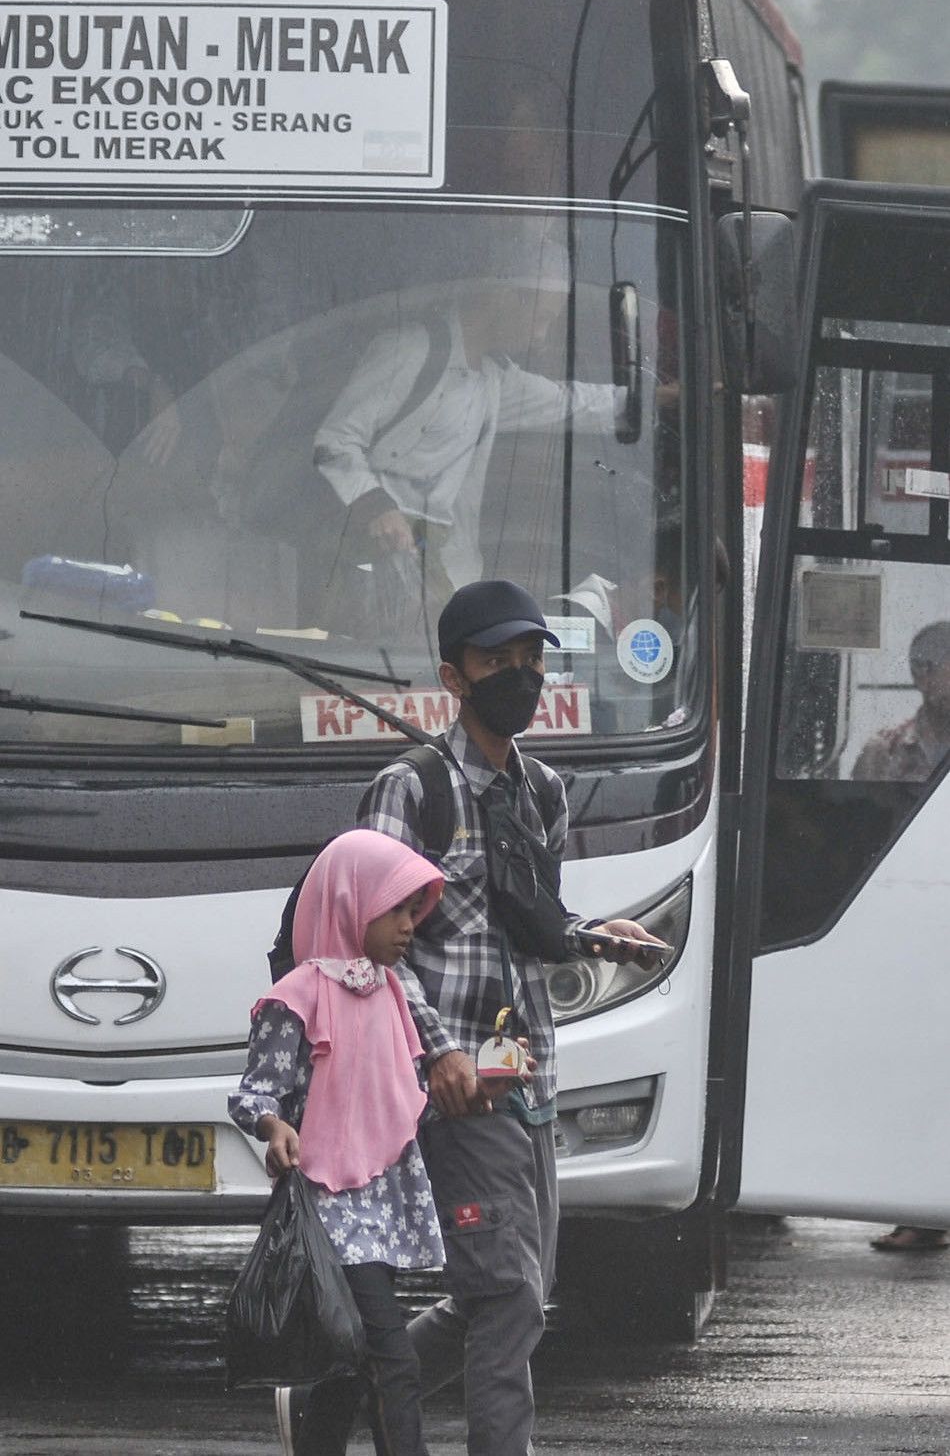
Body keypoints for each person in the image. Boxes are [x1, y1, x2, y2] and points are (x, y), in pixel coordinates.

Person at [353, 577, 664, 1456]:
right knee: (509, 1296)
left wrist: (593, 935)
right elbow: (372, 953)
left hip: (528, 1077)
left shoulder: (543, 792)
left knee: (516, 1287)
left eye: (532, 659)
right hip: (451, 1086)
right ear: (454, 678)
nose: (521, 676)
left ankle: (340, 1393)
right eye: (499, 661)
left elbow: (526, 922)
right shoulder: (409, 791)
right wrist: (440, 1052)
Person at [228, 830, 446, 1456]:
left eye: (414, 912)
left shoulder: (391, 991)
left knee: (349, 1362)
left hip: (379, 1202)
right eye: (397, 909)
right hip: (328, 1207)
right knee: (393, 1360)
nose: (409, 926)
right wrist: (275, 1127)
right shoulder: (296, 997)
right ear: (351, 903)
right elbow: (254, 1093)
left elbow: (402, 1086)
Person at [310, 223, 627, 632]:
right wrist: (376, 504)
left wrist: (645, 401)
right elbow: (335, 441)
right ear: (503, 296)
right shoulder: (409, 349)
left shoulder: (494, 379)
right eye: (541, 318)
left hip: (442, 557)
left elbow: (568, 402)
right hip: (373, 544)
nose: (542, 336)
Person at [852, 619, 950, 1253]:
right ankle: (920, 1206)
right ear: (921, 677)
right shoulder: (886, 751)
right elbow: (855, 848)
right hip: (908, 932)